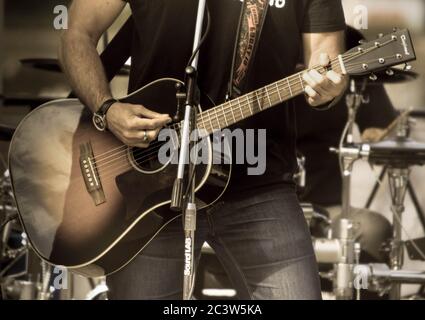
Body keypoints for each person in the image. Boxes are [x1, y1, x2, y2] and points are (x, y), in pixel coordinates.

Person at [59, 0, 347, 299]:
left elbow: (325, 61)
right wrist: (106, 108)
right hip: (150, 190)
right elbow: (77, 33)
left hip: (260, 181)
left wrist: (327, 86)